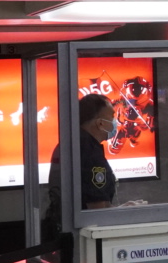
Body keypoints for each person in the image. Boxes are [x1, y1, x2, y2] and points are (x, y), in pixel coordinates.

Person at [42, 93, 118, 240]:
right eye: (112, 117)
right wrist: (122, 212)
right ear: (100, 123)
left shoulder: (71, 143)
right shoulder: (89, 152)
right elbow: (97, 210)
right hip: (81, 239)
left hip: (60, 231)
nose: (115, 122)